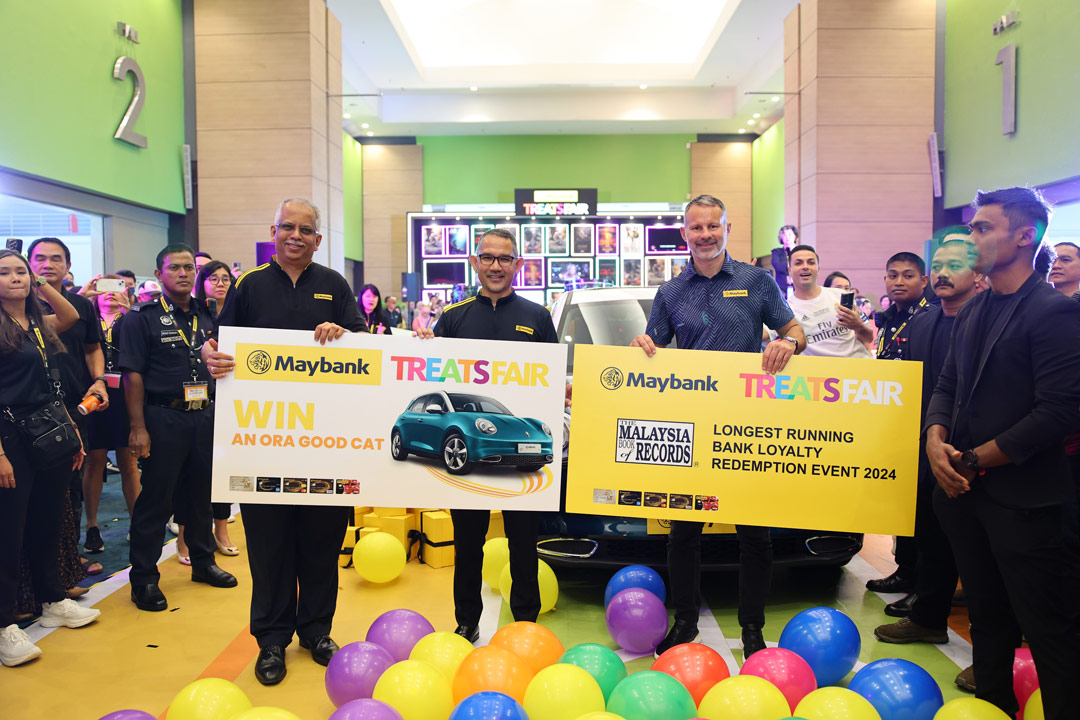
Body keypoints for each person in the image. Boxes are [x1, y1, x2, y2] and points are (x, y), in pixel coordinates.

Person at [926, 187, 1080, 720]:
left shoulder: (1053, 311)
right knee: (987, 618)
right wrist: (934, 440)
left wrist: (972, 459)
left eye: (983, 228)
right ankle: (991, 705)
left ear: (1025, 235)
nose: (971, 238)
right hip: (967, 495)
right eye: (972, 228)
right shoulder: (973, 310)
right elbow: (946, 384)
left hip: (1025, 500)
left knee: (1048, 631)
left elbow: (1058, 412)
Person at [630, 195, 806, 659]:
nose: (705, 234)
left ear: (728, 227)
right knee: (683, 533)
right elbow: (653, 353)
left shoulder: (756, 281)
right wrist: (643, 345)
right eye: (696, 227)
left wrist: (787, 342)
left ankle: (752, 629)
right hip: (690, 430)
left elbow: (796, 332)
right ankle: (684, 622)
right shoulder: (669, 293)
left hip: (746, 430)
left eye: (713, 226)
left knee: (755, 535)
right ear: (683, 232)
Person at [203, 198, 366, 686]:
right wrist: (214, 360)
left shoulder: (334, 285)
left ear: (319, 238)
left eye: (307, 229)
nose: (296, 235)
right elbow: (222, 349)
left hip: (327, 443)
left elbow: (366, 347)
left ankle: (317, 630)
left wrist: (345, 334)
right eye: (288, 227)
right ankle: (271, 639)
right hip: (264, 440)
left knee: (321, 540)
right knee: (271, 545)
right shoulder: (249, 286)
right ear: (273, 231)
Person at [414, 227, 559, 644]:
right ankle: (466, 621)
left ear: (518, 265)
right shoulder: (455, 317)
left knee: (523, 543)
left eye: (505, 259)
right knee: (469, 545)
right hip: (470, 453)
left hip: (519, 455)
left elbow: (548, 384)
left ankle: (527, 621)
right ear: (475, 262)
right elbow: (428, 371)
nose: (496, 266)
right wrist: (426, 342)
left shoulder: (537, 316)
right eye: (489, 258)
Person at [121, 243, 238, 615]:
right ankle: (144, 579)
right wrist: (138, 427)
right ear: (159, 275)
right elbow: (132, 375)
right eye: (175, 268)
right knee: (157, 500)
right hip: (162, 416)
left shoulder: (207, 315)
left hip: (203, 414)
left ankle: (203, 563)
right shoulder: (142, 318)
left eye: (189, 268)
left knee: (201, 494)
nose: (184, 274)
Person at [875, 233, 979, 646]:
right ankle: (928, 615)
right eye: (937, 266)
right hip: (927, 444)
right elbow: (923, 388)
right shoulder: (922, 322)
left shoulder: (986, 318)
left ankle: (993, 650)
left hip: (976, 454)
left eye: (953, 265)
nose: (942, 274)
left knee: (977, 554)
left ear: (977, 272)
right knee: (930, 534)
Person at [0, 249, 99, 668]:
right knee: (9, 531)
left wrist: (39, 281)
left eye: (20, 271)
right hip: (10, 438)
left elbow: (73, 317)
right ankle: (5, 626)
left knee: (46, 521)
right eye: (3, 273)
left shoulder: (38, 323)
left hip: (51, 431)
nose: (15, 278)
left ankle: (53, 599)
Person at [26, 238, 108, 571]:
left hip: (74, 407)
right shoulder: (16, 307)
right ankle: (35, 567)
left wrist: (99, 380)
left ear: (68, 266)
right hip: (28, 410)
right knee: (32, 490)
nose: (47, 265)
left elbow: (93, 347)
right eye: (40, 259)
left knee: (70, 485)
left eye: (56, 259)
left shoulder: (80, 306)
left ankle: (69, 557)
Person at [866, 250, 934, 594]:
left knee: (922, 508)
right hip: (894, 422)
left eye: (908, 275)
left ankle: (922, 584)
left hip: (923, 423)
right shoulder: (888, 317)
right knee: (901, 504)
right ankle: (904, 571)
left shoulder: (932, 315)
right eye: (893, 275)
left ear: (923, 281)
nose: (899, 282)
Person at [80, 274, 139, 552]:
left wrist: (130, 310)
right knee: (95, 461)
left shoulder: (132, 318)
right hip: (94, 393)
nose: (109, 294)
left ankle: (136, 524)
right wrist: (83, 295)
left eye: (116, 288)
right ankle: (91, 525)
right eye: (103, 289)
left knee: (129, 463)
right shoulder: (87, 319)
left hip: (125, 394)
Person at [185, 260, 239, 557]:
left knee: (224, 467)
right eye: (213, 278)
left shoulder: (238, 315)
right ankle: (187, 536)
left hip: (230, 401)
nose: (220, 283)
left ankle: (222, 528)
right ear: (201, 282)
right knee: (194, 472)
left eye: (225, 279)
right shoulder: (193, 315)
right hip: (194, 400)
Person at [785, 245, 872, 358]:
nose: (805, 267)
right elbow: (764, 334)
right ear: (789, 271)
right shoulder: (785, 309)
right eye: (798, 263)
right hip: (821, 373)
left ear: (818, 269)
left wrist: (857, 325)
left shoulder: (841, 296)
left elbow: (869, 338)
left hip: (857, 370)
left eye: (811, 262)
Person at [770, 225, 798, 294]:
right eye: (784, 235)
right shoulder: (776, 252)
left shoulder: (800, 252)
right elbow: (779, 267)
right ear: (781, 238)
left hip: (799, 288)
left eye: (790, 235)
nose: (787, 237)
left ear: (795, 237)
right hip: (782, 290)